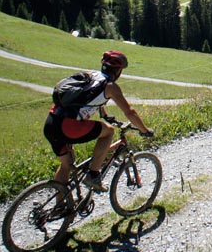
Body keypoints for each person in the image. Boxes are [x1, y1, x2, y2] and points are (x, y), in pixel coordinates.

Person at [43, 50, 153, 192]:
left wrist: (105, 115)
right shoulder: (111, 86)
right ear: (118, 71)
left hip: (51, 122)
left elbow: (92, 97)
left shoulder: (92, 75)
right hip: (68, 126)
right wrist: (144, 130)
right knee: (109, 131)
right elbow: (129, 112)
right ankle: (93, 175)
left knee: (66, 165)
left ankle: (60, 208)